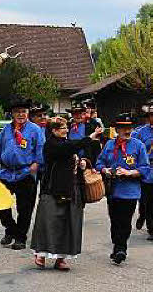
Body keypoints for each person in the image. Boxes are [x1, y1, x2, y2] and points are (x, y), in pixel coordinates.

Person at [30, 116, 102, 271]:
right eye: (63, 128)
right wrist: (89, 138)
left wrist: (82, 162)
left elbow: (74, 151)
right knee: (48, 222)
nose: (67, 130)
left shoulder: (67, 143)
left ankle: (61, 258)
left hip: (72, 187)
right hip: (53, 189)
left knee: (69, 222)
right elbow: (67, 149)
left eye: (66, 127)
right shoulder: (50, 145)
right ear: (54, 130)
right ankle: (41, 254)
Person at [96, 113, 151, 264]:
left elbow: (145, 168)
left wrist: (129, 172)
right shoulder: (109, 144)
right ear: (117, 129)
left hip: (130, 191)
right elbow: (99, 163)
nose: (127, 131)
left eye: (129, 128)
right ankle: (116, 245)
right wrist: (105, 170)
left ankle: (122, 248)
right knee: (114, 220)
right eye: (124, 128)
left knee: (125, 221)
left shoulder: (138, 145)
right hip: (112, 190)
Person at [0, 99, 44, 250]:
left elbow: (41, 150)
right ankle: (10, 229)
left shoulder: (35, 130)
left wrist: (35, 166)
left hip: (25, 172)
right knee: (0, 202)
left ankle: (20, 237)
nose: (21, 114)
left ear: (28, 114)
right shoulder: (6, 130)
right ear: (12, 114)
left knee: (24, 208)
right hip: (5, 172)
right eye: (17, 112)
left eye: (24, 112)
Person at [132, 102, 153, 237]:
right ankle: (145, 217)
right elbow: (133, 149)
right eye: (151, 115)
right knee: (147, 200)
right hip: (147, 170)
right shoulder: (140, 132)